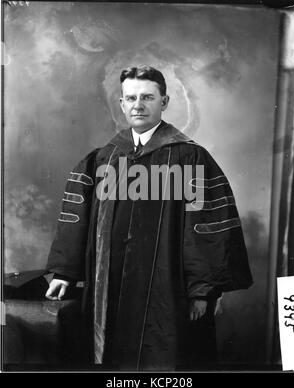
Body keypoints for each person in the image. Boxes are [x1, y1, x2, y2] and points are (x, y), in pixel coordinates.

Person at [45, 65, 253, 371]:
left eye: (147, 97)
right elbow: (77, 217)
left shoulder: (190, 158)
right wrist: (65, 272)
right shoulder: (102, 159)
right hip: (109, 288)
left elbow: (205, 228)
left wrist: (202, 291)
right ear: (121, 104)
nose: (138, 105)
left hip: (168, 293)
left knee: (166, 357)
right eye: (130, 98)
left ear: (164, 102)